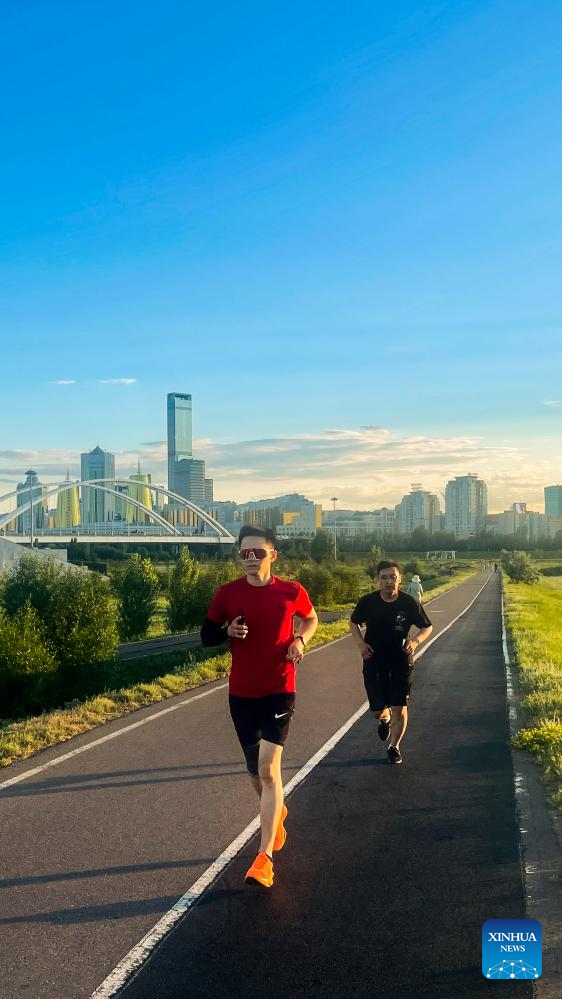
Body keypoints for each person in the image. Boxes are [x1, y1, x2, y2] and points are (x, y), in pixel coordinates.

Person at [201, 525, 318, 889]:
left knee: (269, 770)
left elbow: (311, 618)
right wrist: (227, 633)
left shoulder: (291, 591)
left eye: (257, 553)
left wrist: (300, 638)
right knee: (256, 773)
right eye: (244, 554)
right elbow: (206, 636)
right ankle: (276, 811)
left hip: (280, 690)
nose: (249, 559)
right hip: (241, 694)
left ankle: (264, 858)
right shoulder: (227, 594)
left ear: (273, 555)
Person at [350, 560, 433, 765]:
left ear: (400, 579)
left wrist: (415, 641)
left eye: (393, 577)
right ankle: (383, 718)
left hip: (400, 660)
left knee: (400, 706)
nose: (389, 581)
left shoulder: (409, 603)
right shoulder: (367, 602)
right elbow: (353, 622)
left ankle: (394, 746)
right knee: (377, 708)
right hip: (374, 659)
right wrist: (360, 644)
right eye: (384, 577)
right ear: (378, 580)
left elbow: (427, 627)